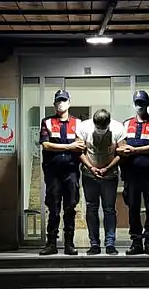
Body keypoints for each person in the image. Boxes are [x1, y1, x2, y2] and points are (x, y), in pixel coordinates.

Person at [118, 90, 149, 256]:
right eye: (137, 103)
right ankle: (136, 242)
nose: (139, 106)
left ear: (147, 104)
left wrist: (135, 150)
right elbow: (121, 145)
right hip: (131, 174)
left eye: (142, 103)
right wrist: (123, 150)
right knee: (133, 207)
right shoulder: (126, 124)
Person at [38, 90, 85, 255]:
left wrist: (65, 147)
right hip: (53, 172)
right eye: (58, 101)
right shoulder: (48, 122)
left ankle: (69, 244)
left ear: (69, 103)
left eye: (64, 100)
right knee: (54, 208)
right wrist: (69, 146)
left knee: (70, 207)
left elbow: (81, 145)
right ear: (54, 104)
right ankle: (51, 243)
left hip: (71, 171)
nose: (61, 104)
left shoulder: (78, 123)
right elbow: (46, 145)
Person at [76, 109, 126, 255]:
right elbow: (79, 151)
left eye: (103, 128)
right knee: (91, 208)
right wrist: (91, 167)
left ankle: (110, 244)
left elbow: (122, 152)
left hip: (109, 175)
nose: (100, 130)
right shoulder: (84, 127)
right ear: (94, 123)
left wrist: (107, 168)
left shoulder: (118, 128)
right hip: (89, 174)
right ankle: (94, 244)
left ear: (108, 124)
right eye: (98, 127)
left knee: (109, 209)